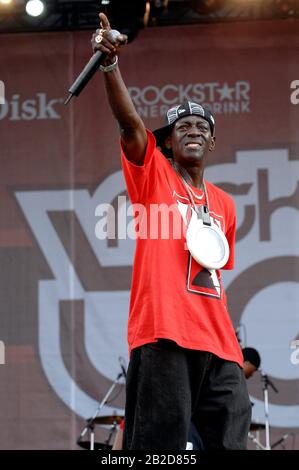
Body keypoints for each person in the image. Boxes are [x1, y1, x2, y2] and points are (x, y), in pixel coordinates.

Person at [91, 13, 251, 450]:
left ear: (212, 142)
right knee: (158, 450)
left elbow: (215, 274)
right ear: (168, 142)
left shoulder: (225, 204)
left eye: (202, 127)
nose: (194, 132)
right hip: (164, 334)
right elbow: (129, 125)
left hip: (219, 345)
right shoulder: (154, 176)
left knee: (232, 439)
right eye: (183, 128)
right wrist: (109, 65)